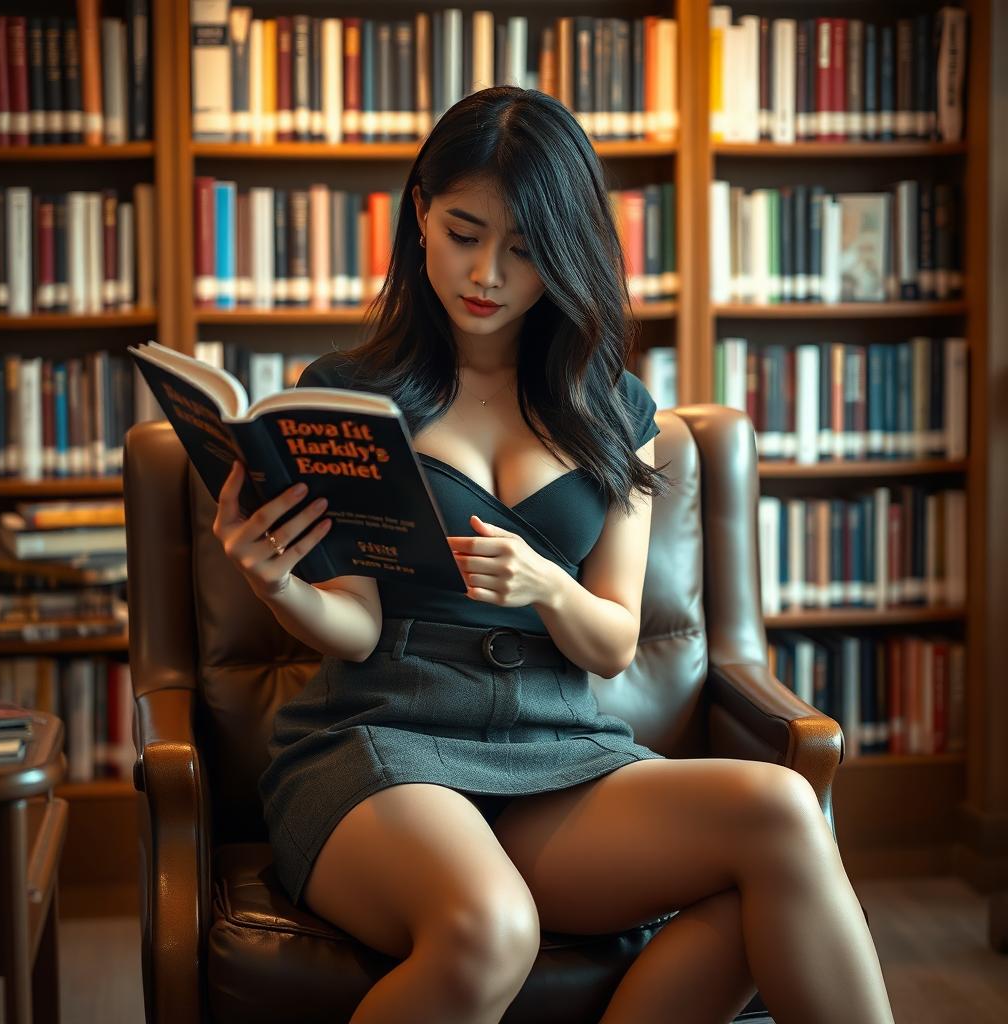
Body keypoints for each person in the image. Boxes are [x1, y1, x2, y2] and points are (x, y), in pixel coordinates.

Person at [212, 86, 896, 1024]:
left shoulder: (614, 410)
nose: (486, 271)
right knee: (490, 928)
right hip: (384, 745)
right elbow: (357, 625)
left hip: (557, 753)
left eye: (526, 250)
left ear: (566, 255)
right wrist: (279, 580)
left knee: (784, 813)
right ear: (419, 213)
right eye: (463, 232)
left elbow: (615, 643)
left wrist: (545, 585)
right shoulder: (348, 395)